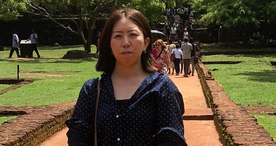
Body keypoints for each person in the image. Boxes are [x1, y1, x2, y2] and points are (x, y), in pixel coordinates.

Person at [67, 8, 186, 146]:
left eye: (133, 35)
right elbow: (78, 137)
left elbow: (171, 139)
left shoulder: (162, 88)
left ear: (146, 43)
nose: (126, 43)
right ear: (109, 45)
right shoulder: (92, 90)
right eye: (118, 36)